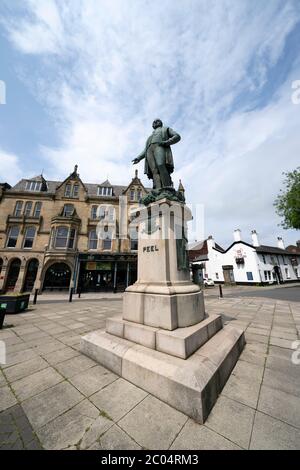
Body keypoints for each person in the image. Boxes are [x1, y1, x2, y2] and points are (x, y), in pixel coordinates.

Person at [132, 119, 181, 189]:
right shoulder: (150, 137)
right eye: (153, 122)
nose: (155, 122)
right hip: (149, 151)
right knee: (154, 171)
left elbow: (177, 136)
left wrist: (167, 142)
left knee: (161, 165)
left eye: (157, 121)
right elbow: (145, 149)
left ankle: (167, 187)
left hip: (159, 146)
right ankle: (158, 189)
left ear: (161, 123)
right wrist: (138, 158)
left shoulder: (165, 129)